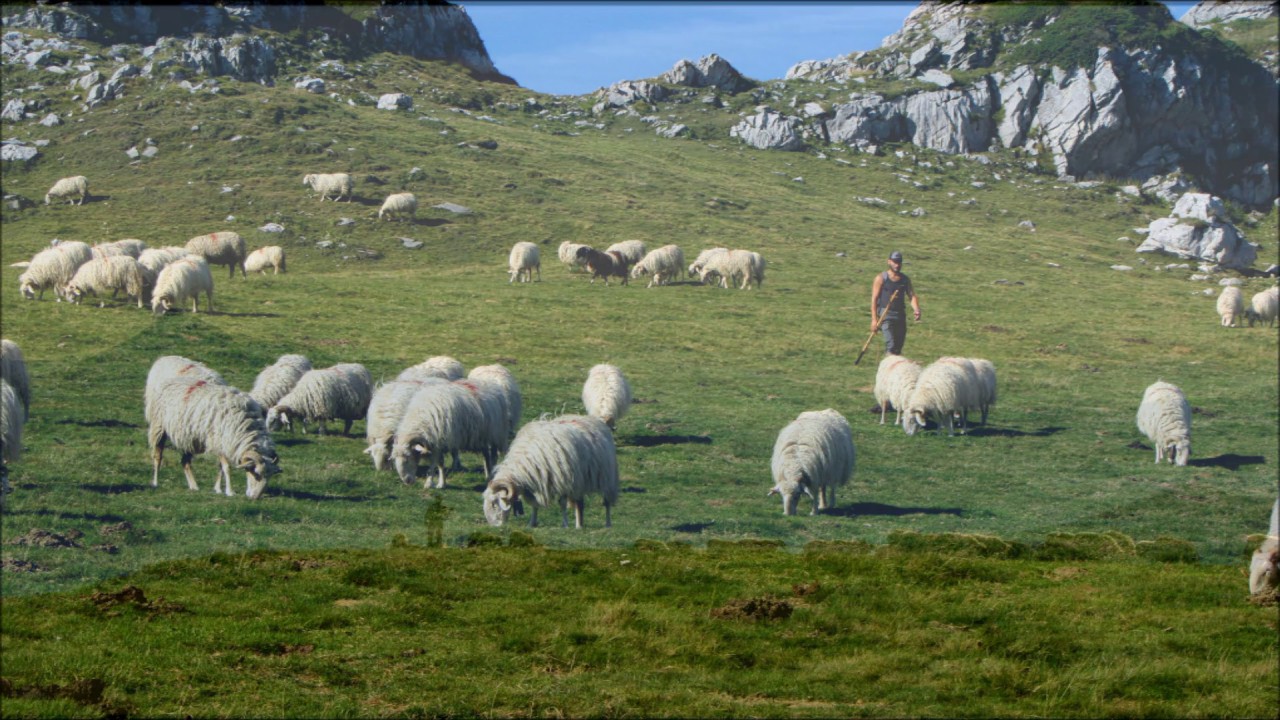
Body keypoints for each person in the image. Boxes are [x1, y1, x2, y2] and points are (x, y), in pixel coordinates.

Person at [869, 250, 921, 356]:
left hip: (900, 316)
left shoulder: (905, 280)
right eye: (895, 262)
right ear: (889, 262)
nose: (897, 265)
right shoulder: (881, 278)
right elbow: (874, 299)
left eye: (899, 262)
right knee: (891, 346)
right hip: (886, 315)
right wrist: (874, 320)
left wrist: (916, 309)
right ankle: (887, 368)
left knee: (898, 349)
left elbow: (911, 296)